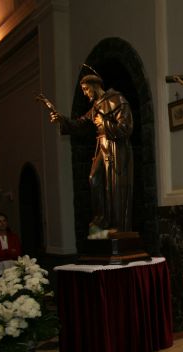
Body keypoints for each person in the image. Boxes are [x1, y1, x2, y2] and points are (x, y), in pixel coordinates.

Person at [50, 71, 134, 235]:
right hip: (102, 146)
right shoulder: (96, 106)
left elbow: (126, 127)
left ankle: (117, 225)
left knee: (114, 186)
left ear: (95, 87)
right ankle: (101, 220)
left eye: (86, 89)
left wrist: (105, 122)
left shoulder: (118, 100)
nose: (85, 93)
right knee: (94, 178)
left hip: (116, 148)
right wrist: (62, 119)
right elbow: (80, 124)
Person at [0, 212, 22, 277]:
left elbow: (17, 253)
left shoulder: (14, 237)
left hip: (13, 266)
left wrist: (1, 252)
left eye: (4, 221)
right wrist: (9, 251)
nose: (2, 223)